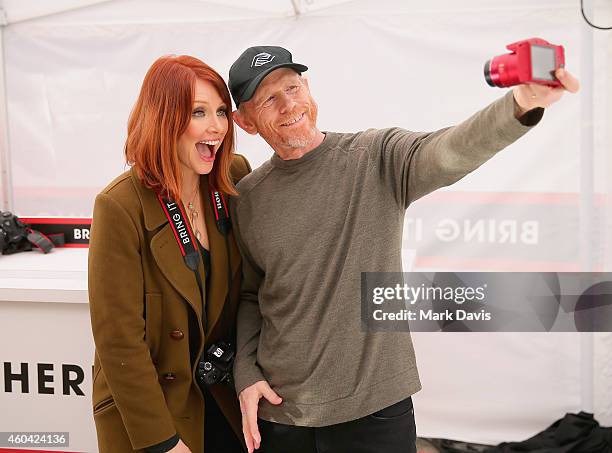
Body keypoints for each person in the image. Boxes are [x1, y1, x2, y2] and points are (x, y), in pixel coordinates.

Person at [226, 46, 580, 453]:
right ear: (245, 121)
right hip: (281, 415)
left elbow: (449, 150)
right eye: (269, 98)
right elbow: (252, 294)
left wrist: (520, 104)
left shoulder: (375, 157)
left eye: (292, 87)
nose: (289, 104)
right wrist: (245, 372)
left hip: (375, 410)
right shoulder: (248, 197)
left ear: (308, 87)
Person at [88, 55, 251, 453]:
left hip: (221, 394)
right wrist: (162, 442)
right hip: (151, 411)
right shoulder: (119, 205)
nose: (216, 127)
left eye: (220, 112)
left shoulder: (234, 175)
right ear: (164, 118)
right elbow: (118, 339)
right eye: (198, 112)